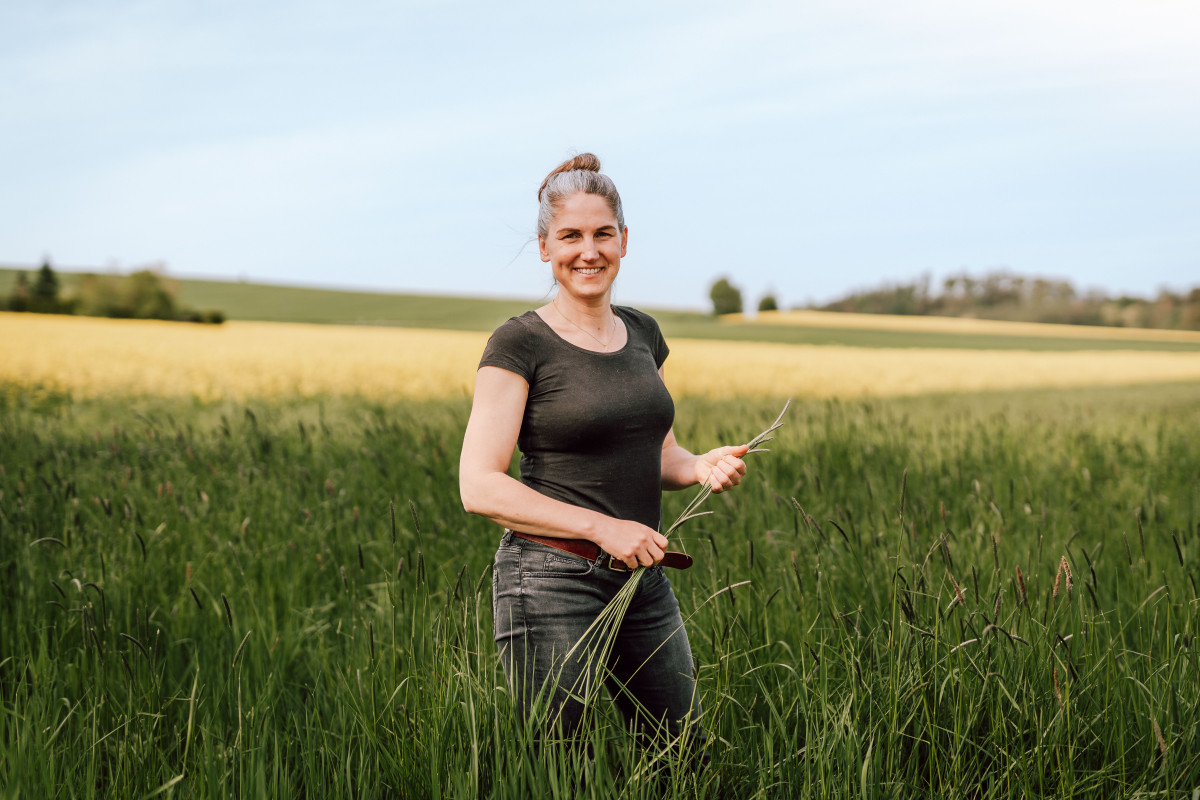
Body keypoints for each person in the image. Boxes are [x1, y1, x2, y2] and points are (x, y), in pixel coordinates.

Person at [459, 153, 749, 752]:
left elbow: (659, 453)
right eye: (570, 235)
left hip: (642, 579)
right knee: (560, 764)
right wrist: (603, 528)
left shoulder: (643, 334)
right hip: (548, 580)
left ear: (623, 241)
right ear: (545, 247)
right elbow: (479, 486)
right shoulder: (519, 343)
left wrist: (698, 466)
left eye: (602, 234)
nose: (587, 250)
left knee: (680, 754)